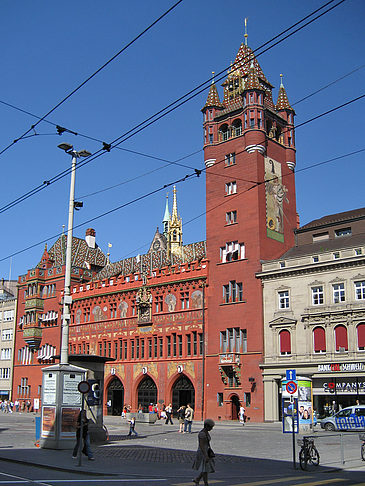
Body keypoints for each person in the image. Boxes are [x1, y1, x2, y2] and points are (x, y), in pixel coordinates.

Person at [192, 418, 215, 486]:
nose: (211, 429)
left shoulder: (206, 432)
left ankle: (198, 480)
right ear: (206, 426)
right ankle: (204, 482)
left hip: (206, 451)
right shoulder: (202, 434)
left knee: (205, 469)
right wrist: (206, 455)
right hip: (203, 452)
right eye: (211, 427)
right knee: (205, 469)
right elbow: (201, 445)